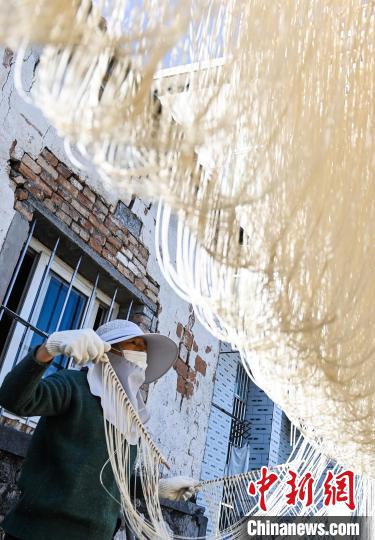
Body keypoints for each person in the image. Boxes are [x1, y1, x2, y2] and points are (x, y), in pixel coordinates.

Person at [0, 319, 199, 540]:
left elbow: (114, 479)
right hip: (39, 532)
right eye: (133, 344)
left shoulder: (131, 417)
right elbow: (14, 399)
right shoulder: (73, 385)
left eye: (144, 348)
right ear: (110, 348)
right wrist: (47, 350)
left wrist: (156, 487)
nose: (141, 354)